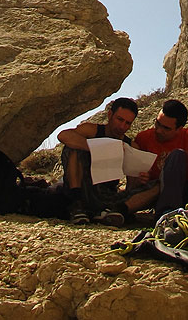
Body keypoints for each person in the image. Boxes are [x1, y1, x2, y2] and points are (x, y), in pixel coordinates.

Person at [57, 97, 138, 226]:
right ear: (110, 115)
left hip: (105, 195)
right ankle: (77, 205)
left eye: (128, 123)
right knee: (73, 147)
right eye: (119, 119)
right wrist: (99, 149)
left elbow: (133, 180)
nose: (122, 126)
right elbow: (63, 136)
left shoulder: (130, 146)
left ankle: (110, 211)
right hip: (81, 188)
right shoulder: (92, 130)